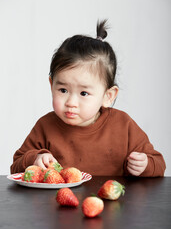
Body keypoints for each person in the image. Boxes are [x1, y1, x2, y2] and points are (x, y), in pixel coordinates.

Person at [10, 20, 166, 176]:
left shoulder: (123, 126)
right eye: (63, 90)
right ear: (51, 86)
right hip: (58, 199)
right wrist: (35, 159)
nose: (71, 102)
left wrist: (144, 164)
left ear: (107, 96)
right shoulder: (45, 126)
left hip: (109, 199)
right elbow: (16, 165)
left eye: (84, 93)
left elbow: (159, 164)